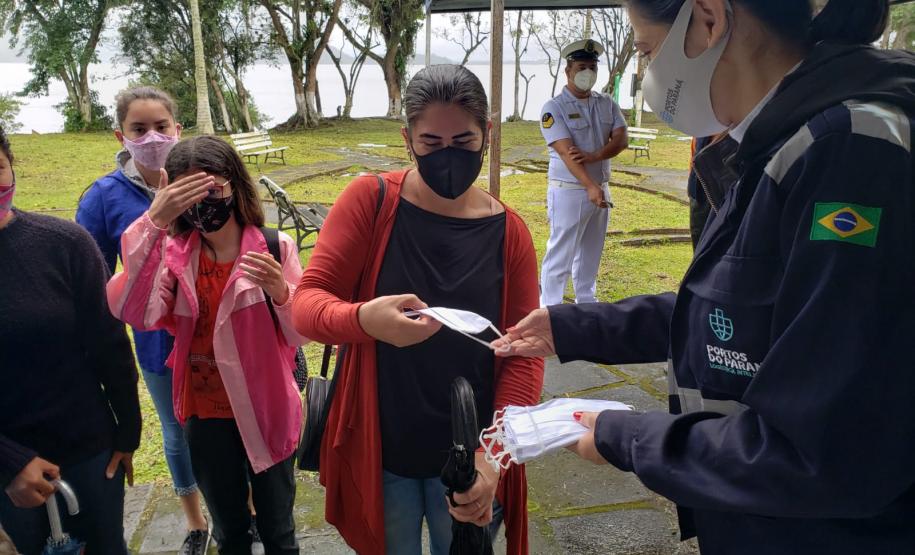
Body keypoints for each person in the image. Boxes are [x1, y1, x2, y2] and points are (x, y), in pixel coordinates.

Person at [494, 0, 915, 553]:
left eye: (645, 50)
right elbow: (738, 309)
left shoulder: (850, 152)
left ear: (710, 19)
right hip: (764, 517)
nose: (645, 74)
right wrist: (575, 327)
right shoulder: (776, 141)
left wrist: (626, 436)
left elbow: (820, 450)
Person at [292, 65, 544, 555]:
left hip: (471, 453)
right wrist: (363, 320)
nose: (447, 154)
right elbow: (307, 303)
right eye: (431, 141)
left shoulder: (510, 233)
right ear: (407, 139)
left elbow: (523, 352)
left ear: (487, 134)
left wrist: (494, 456)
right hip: (382, 444)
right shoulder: (371, 201)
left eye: (463, 140)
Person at [107, 135, 306, 555]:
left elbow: (300, 332)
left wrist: (282, 293)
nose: (202, 202)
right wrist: (154, 221)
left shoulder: (274, 247)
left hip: (267, 410)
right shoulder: (175, 256)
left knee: (279, 530)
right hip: (205, 413)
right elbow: (135, 311)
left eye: (212, 189)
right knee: (229, 531)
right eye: (187, 192)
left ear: (234, 184)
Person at [75, 86, 212, 555]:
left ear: (178, 129)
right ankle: (196, 521)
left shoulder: (205, 180)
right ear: (121, 134)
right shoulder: (103, 198)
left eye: (161, 127)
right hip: (156, 342)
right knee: (176, 432)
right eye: (139, 129)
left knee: (226, 425)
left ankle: (246, 507)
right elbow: (92, 284)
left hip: (218, 336)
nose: (152, 137)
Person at [0, 126, 141, 554]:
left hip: (89, 449)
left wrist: (127, 433)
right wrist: (7, 464)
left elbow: (109, 343)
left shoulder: (63, 244)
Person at [538, 39, 629, 307]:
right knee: (561, 253)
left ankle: (586, 302)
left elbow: (621, 139)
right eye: (581, 66)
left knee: (591, 252)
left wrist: (595, 156)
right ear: (568, 71)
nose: (587, 72)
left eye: (592, 67)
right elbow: (567, 153)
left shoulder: (607, 103)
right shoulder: (553, 108)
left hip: (600, 188)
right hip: (571, 191)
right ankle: (550, 307)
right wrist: (590, 185)